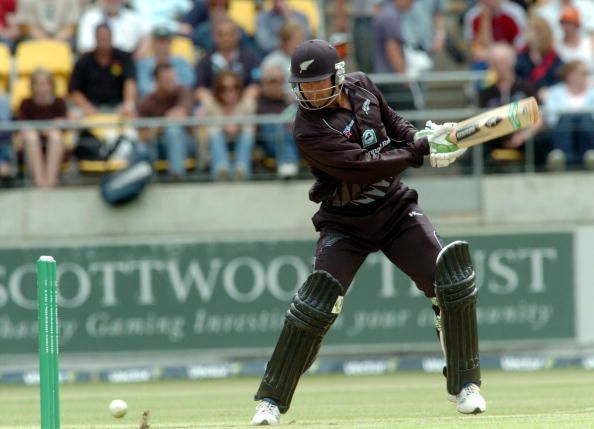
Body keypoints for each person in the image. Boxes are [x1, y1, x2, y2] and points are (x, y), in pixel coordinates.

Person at [250, 39, 485, 426]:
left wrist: (422, 137)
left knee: (452, 281)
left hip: (395, 210)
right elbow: (362, 167)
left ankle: (465, 386)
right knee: (314, 305)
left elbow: (395, 125)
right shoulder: (307, 130)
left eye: (317, 83)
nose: (309, 92)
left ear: (338, 77)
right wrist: (421, 151)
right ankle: (271, 401)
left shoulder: (362, 86)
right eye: (303, 86)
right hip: (345, 223)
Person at [138, 63, 195, 178]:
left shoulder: (183, 91)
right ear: (156, 81)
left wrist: (156, 128)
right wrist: (160, 127)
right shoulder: (146, 102)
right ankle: (141, 181)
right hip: (158, 146)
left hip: (186, 144)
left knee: (173, 130)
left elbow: (180, 114)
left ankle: (176, 175)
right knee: (140, 149)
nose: (172, 83)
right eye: (167, 80)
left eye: (173, 79)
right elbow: (141, 135)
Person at [69, 23, 137, 118]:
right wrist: (87, 107)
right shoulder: (84, 61)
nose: (104, 42)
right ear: (95, 38)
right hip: (91, 106)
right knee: (73, 115)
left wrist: (128, 104)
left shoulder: (124, 58)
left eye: (106, 38)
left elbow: (130, 82)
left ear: (112, 38)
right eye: (101, 39)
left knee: (132, 113)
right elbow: (74, 90)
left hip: (117, 105)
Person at [197, 70, 256, 180]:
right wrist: (224, 126)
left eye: (234, 88)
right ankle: (221, 169)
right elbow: (203, 123)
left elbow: (251, 124)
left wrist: (238, 126)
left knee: (248, 131)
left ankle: (241, 169)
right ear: (218, 90)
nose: (230, 92)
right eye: (224, 89)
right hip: (217, 143)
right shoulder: (210, 103)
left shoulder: (247, 102)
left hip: (240, 141)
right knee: (213, 132)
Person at [18, 68, 68, 188]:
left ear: (51, 85)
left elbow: (63, 125)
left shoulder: (59, 102)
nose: (41, 87)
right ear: (32, 86)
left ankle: (50, 182)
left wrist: (49, 129)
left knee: (55, 136)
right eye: (37, 83)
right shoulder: (26, 103)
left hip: (55, 145)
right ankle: (39, 182)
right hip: (30, 147)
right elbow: (22, 126)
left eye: (45, 83)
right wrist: (45, 129)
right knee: (31, 137)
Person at [542, 60, 594, 170]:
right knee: (566, 118)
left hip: (587, 130)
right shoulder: (554, 93)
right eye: (582, 73)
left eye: (586, 74)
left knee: (585, 119)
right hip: (563, 130)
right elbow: (551, 118)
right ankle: (560, 157)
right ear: (570, 76)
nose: (585, 77)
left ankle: (590, 154)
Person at [136, 26, 196, 97]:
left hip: (178, 100)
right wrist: (168, 87)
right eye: (160, 42)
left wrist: (163, 87)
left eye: (167, 41)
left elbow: (189, 83)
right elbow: (143, 88)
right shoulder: (144, 64)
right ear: (153, 43)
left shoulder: (180, 61)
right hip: (154, 102)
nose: (163, 46)